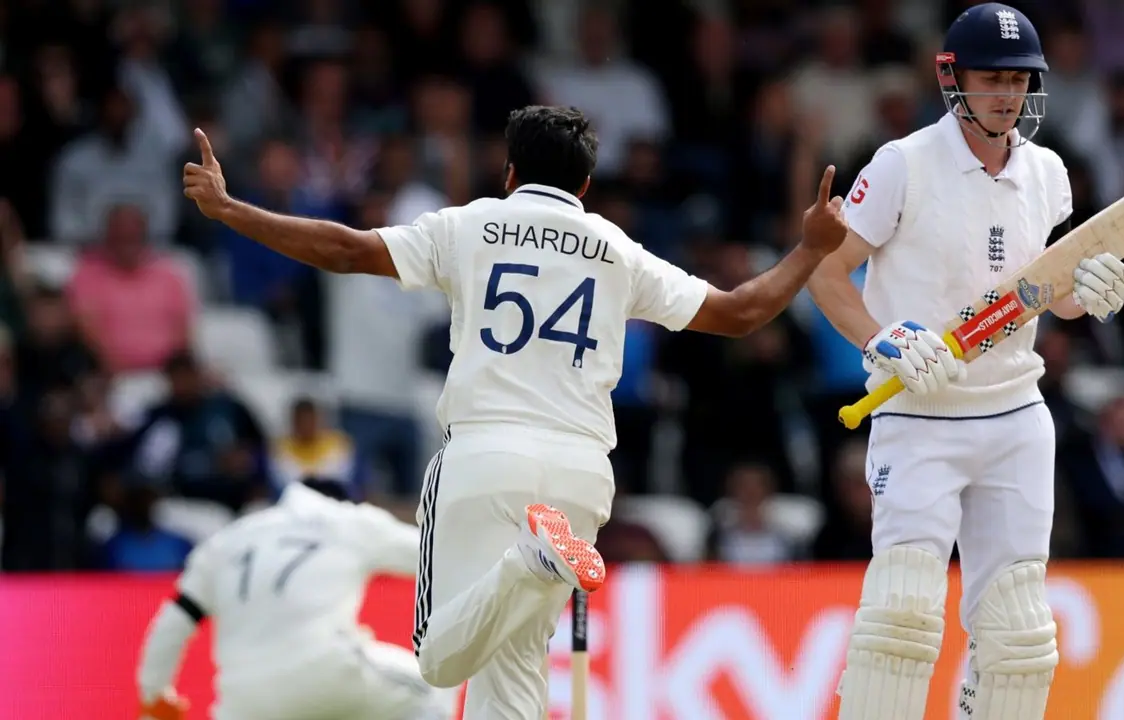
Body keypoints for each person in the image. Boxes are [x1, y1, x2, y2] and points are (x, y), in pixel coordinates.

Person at [181, 104, 850, 717]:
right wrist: (810, 248)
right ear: (585, 186)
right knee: (517, 670)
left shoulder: (470, 225)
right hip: (582, 475)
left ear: (508, 172)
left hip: (485, 457)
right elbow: (741, 313)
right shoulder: (616, 249)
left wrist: (232, 210)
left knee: (439, 662)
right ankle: (533, 561)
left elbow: (344, 248)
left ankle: (527, 560)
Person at [805, 5, 1124, 719]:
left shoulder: (1047, 173)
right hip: (919, 413)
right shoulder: (902, 164)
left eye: (1020, 80)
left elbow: (1044, 295)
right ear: (949, 76)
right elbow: (828, 276)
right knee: (901, 619)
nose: (1007, 95)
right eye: (991, 78)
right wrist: (880, 339)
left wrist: (1087, 291)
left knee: (1019, 637)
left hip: (1016, 415)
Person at [135, 478, 456, 720]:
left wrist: (155, 694)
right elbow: (441, 558)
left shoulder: (226, 540)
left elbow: (173, 622)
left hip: (241, 701)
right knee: (438, 682)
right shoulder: (348, 519)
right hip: (325, 670)